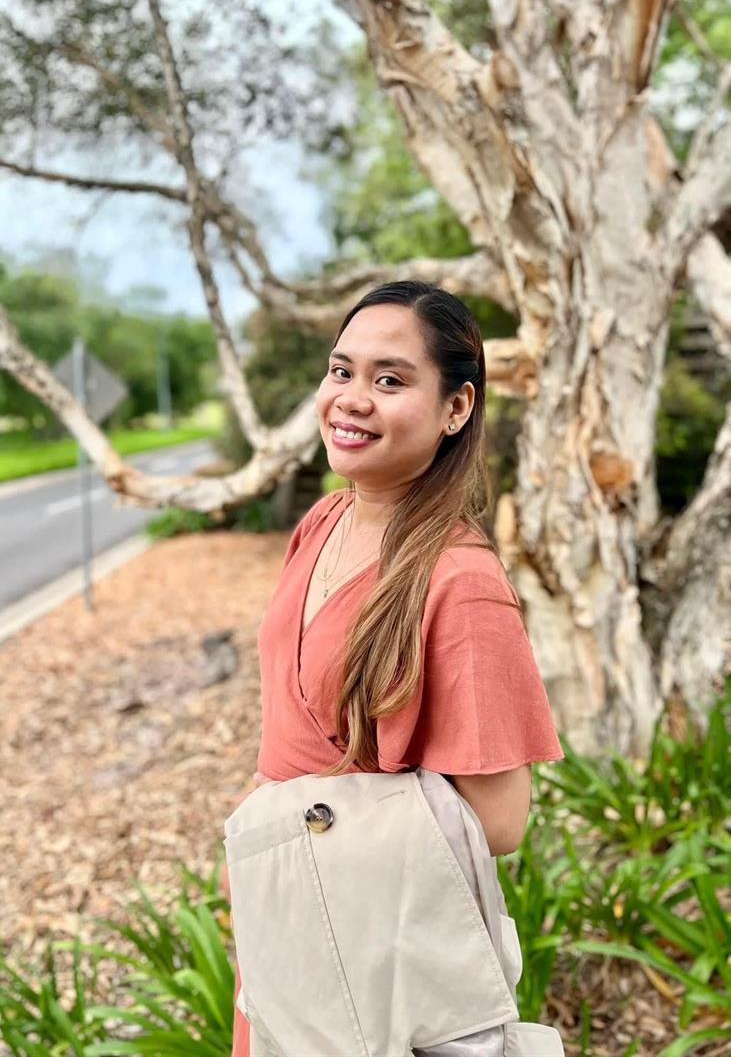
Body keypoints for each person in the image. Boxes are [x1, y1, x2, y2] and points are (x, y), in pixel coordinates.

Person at [223, 280, 564, 1057]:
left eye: (389, 380)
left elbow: (499, 820)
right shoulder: (325, 519)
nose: (351, 399)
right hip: (286, 915)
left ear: (456, 408)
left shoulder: (458, 583)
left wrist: (294, 828)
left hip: (369, 947)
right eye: (341, 371)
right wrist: (259, 844)